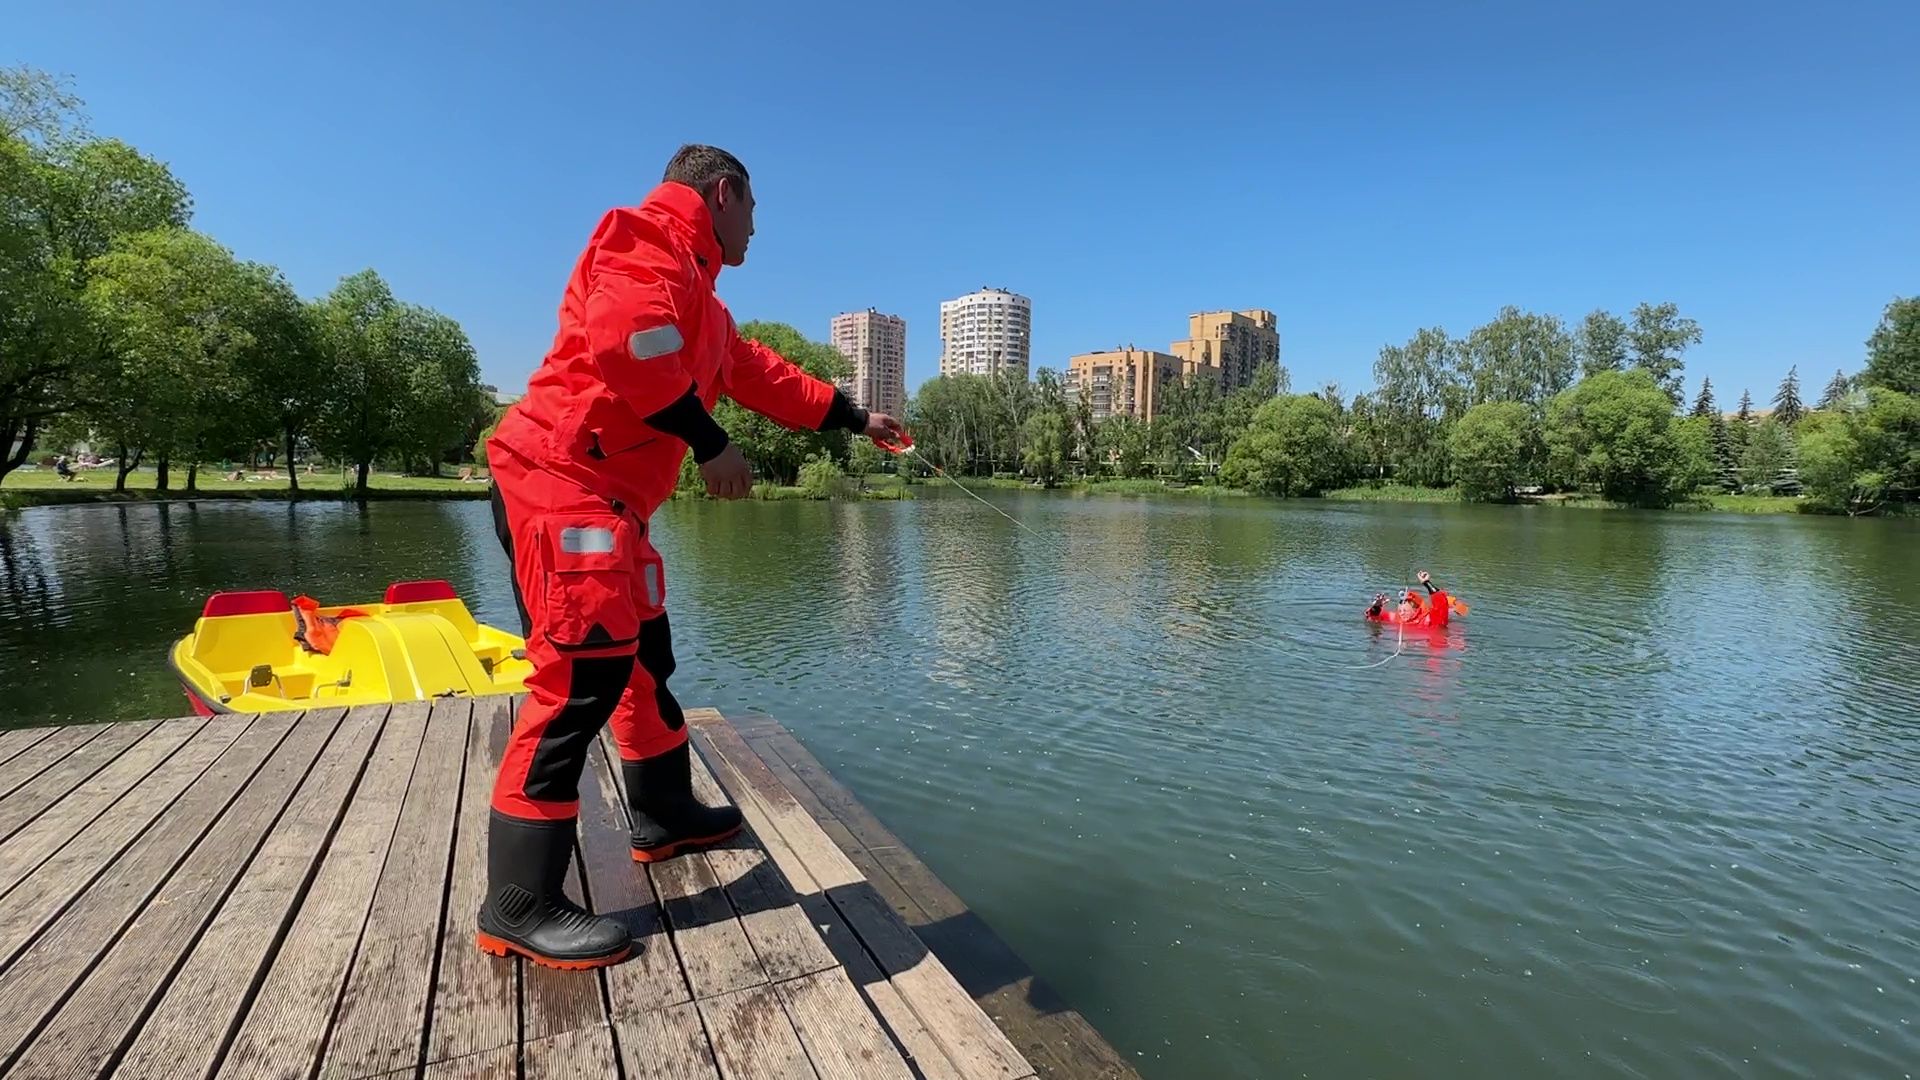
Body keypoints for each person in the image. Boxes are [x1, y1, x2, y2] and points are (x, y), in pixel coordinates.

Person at [479, 145, 906, 970]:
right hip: (558, 480)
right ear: (724, 192)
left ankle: (664, 814)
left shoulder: (705, 308)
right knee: (577, 681)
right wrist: (711, 444)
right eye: (754, 210)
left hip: (612, 504)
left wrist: (858, 419)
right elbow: (627, 345)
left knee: (645, 657)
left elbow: (763, 376)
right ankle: (519, 904)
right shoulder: (643, 242)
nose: (756, 228)